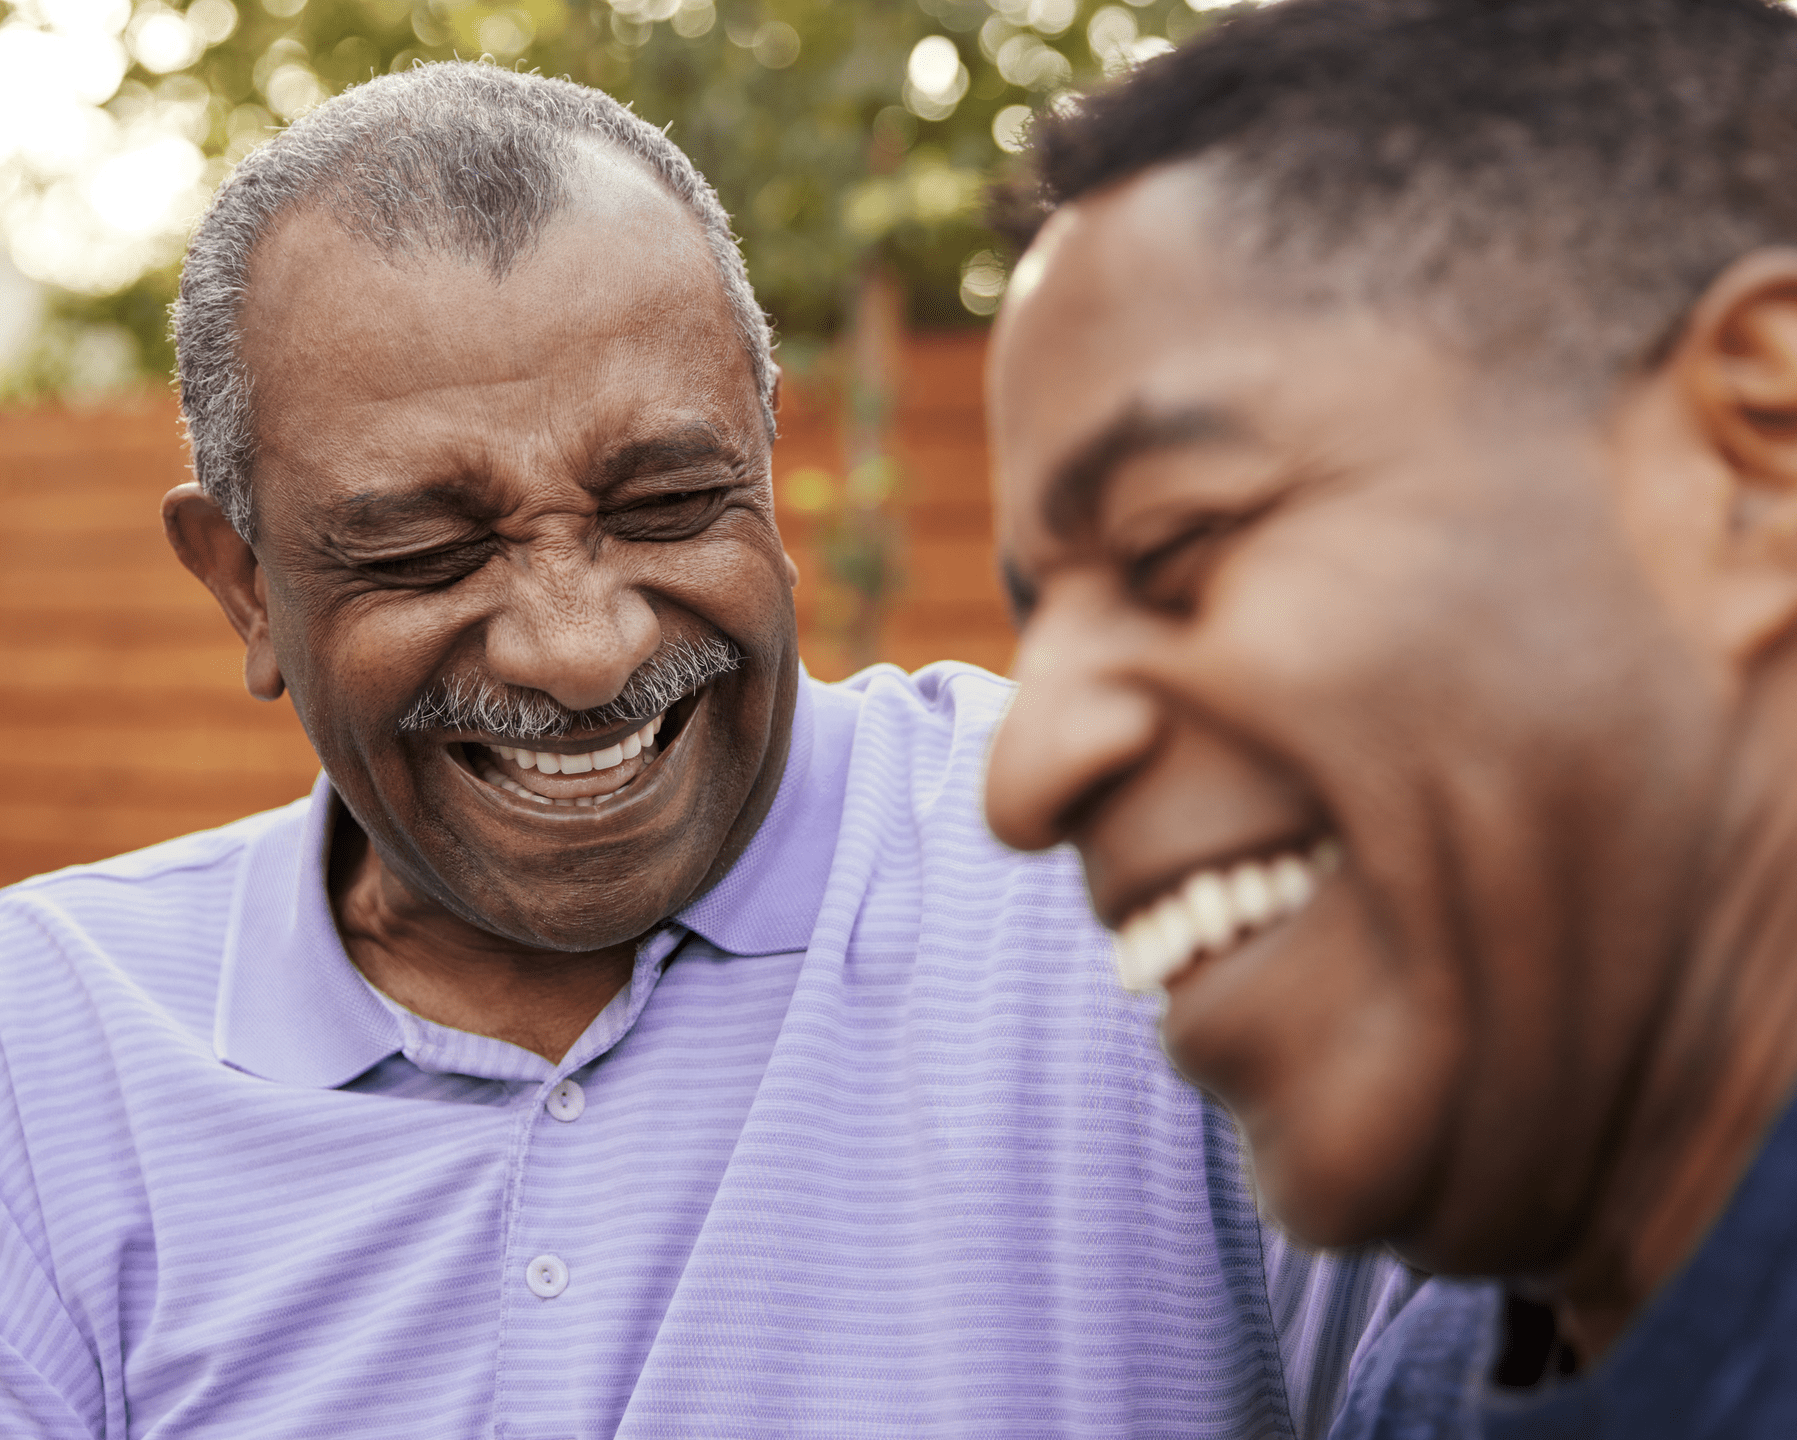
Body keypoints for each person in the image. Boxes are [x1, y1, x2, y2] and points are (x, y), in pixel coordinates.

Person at [0, 61, 1410, 1439]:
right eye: (427, 554)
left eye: (671, 505)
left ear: (767, 459)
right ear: (242, 586)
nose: (582, 650)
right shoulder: (49, 1047)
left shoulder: (1149, 887)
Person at [982, 0, 1797, 1434]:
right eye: (1036, 615)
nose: (1026, 771)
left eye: (1174, 546)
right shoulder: (1430, 1383)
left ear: (1770, 450)